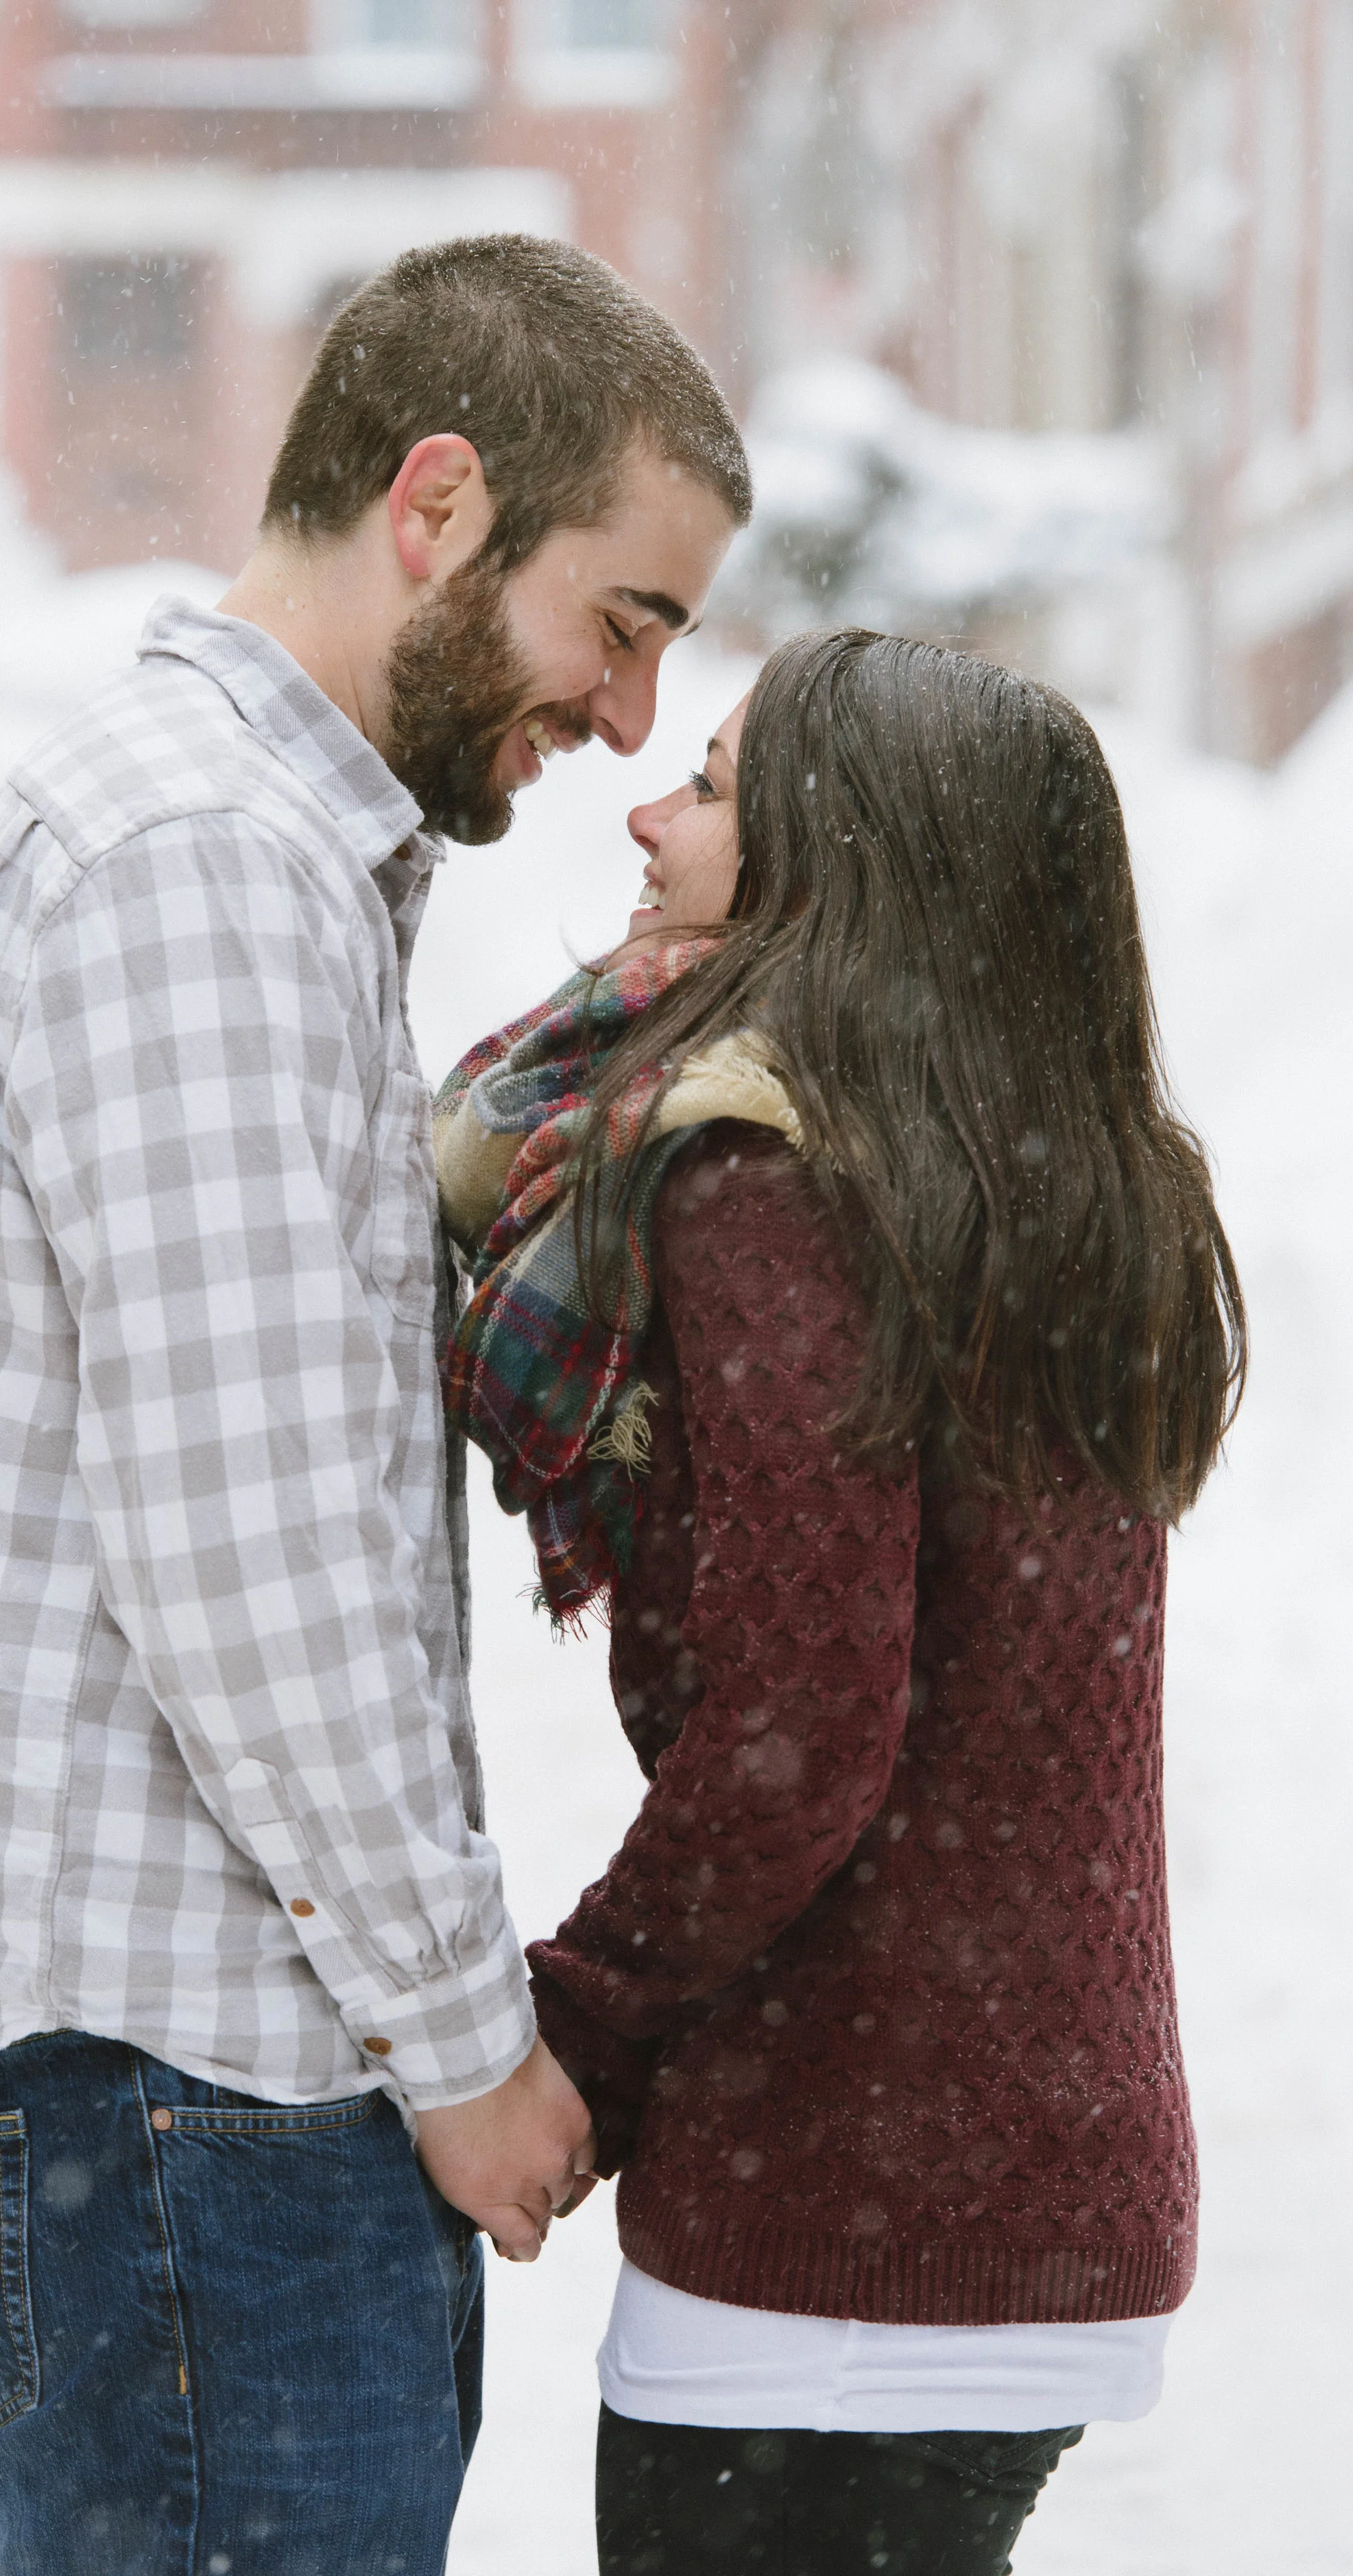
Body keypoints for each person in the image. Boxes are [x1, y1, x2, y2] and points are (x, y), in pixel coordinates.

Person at [0, 233, 750, 2576]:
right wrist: (464, 2040)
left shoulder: (253, 851)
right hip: (175, 2064)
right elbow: (242, 1548)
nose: (629, 720)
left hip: (175, 2070)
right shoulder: (201, 861)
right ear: (435, 506)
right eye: (618, 620)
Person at [434, 629, 1245, 2573]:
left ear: (839, 858)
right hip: (1050, 2185)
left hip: (832, 2213)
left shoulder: (765, 1177)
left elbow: (802, 1730)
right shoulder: (1042, 1178)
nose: (641, 812)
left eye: (709, 786)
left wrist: (574, 2031)